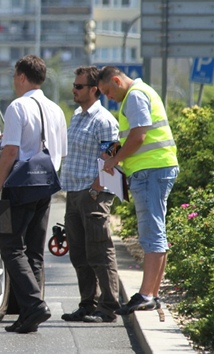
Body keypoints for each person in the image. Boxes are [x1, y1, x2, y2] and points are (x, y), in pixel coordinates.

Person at [0, 55, 67, 333]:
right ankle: (29, 313)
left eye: (14, 76)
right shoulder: (56, 109)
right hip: (47, 184)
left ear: (21, 77)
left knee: (10, 247)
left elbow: (10, 152)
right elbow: (60, 153)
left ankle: (33, 306)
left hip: (18, 185)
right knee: (34, 251)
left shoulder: (17, 107)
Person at [97, 66, 179, 315]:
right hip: (154, 168)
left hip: (151, 170)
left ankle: (146, 294)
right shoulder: (139, 93)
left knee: (152, 232)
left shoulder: (134, 95)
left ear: (116, 80)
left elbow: (140, 136)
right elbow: (135, 134)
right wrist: (117, 148)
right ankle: (150, 294)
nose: (107, 97)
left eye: (108, 91)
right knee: (155, 232)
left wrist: (115, 159)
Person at [60, 66, 121, 323]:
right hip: (74, 193)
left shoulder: (104, 120)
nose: (74, 90)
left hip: (94, 193)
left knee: (99, 250)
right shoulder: (77, 116)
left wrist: (96, 188)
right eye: (74, 86)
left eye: (79, 86)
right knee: (79, 254)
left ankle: (108, 308)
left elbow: (112, 159)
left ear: (94, 90)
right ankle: (88, 304)